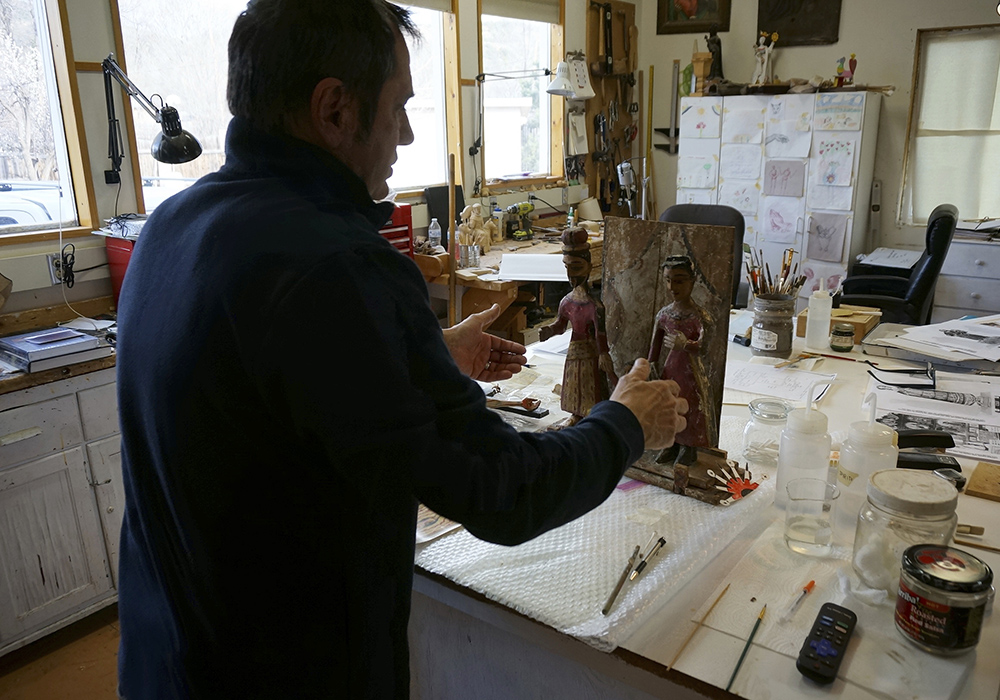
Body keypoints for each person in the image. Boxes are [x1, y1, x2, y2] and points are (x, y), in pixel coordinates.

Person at [114, 1, 688, 698]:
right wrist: (627, 422)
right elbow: (501, 489)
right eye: (398, 107)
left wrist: (425, 354)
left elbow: (263, 399)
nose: (407, 132)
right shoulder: (336, 264)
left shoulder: (172, 223)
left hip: (165, 660)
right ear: (335, 110)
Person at [539, 227, 618, 424]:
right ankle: (576, 415)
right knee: (575, 388)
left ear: (589, 267)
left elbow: (600, 335)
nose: (571, 275)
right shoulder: (567, 301)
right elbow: (560, 325)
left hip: (591, 354)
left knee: (592, 388)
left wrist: (603, 354)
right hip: (574, 354)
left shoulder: (594, 306)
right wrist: (548, 331)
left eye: (576, 267)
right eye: (567, 268)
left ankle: (593, 419)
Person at [647, 256, 716, 466]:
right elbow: (654, 348)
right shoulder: (664, 315)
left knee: (691, 406)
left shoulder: (700, 317)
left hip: (691, 372)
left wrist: (685, 344)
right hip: (670, 370)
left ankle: (688, 447)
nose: (671, 287)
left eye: (678, 281)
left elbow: (705, 347)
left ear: (692, 281)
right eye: (668, 280)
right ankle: (672, 444)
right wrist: (649, 369)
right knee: (670, 406)